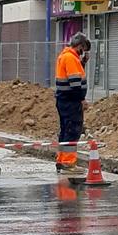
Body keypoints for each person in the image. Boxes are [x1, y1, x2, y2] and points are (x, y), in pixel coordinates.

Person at [52, 34, 91, 170]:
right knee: (72, 131)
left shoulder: (66, 56)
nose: (84, 51)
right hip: (70, 101)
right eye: (84, 48)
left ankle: (62, 159)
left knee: (65, 131)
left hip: (64, 100)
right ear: (80, 46)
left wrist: (83, 63)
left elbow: (74, 75)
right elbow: (75, 83)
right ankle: (68, 162)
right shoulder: (70, 58)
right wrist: (81, 99)